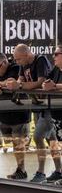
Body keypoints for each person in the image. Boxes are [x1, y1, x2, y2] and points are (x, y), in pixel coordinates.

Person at [6, 44, 56, 183]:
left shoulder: (40, 60)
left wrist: (20, 86)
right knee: (51, 140)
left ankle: (41, 172)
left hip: (48, 106)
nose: (17, 62)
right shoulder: (24, 64)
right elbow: (20, 79)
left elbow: (40, 83)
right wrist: (14, 83)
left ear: (27, 55)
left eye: (18, 59)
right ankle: (58, 171)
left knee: (38, 137)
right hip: (37, 106)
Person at [0, 52, 31, 180]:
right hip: (4, 115)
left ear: (4, 62)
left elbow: (10, 83)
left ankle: (21, 170)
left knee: (18, 144)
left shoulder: (15, 67)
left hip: (19, 113)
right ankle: (15, 169)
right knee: (10, 142)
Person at [40, 46, 62, 184]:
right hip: (57, 115)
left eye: (56, 54)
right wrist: (46, 84)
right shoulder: (56, 69)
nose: (53, 56)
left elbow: (55, 85)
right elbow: (46, 81)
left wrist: (55, 86)